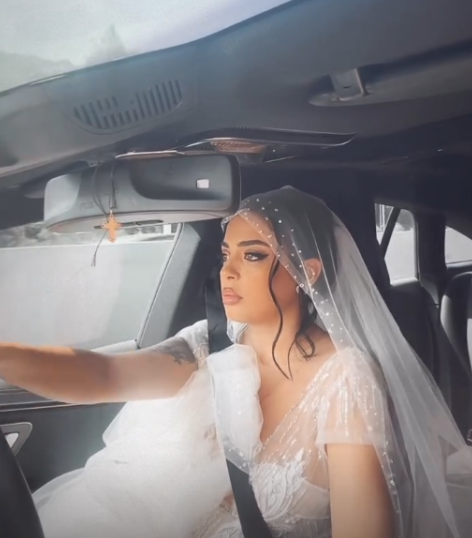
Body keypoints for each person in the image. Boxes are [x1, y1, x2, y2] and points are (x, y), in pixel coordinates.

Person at [1, 186, 472, 538]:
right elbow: (103, 375)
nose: (227, 271)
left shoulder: (346, 378)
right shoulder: (207, 345)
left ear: (305, 272)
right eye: (227, 255)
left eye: (253, 256)